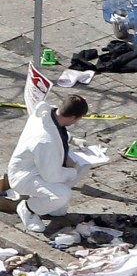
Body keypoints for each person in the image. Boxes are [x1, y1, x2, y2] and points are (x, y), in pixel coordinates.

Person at [7, 94, 90, 233]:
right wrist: (72, 171)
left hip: (36, 166)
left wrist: (72, 139)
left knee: (82, 166)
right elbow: (52, 176)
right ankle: (28, 209)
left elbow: (58, 130)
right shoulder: (46, 141)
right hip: (25, 177)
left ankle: (49, 205)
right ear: (73, 118)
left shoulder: (48, 114)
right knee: (62, 194)